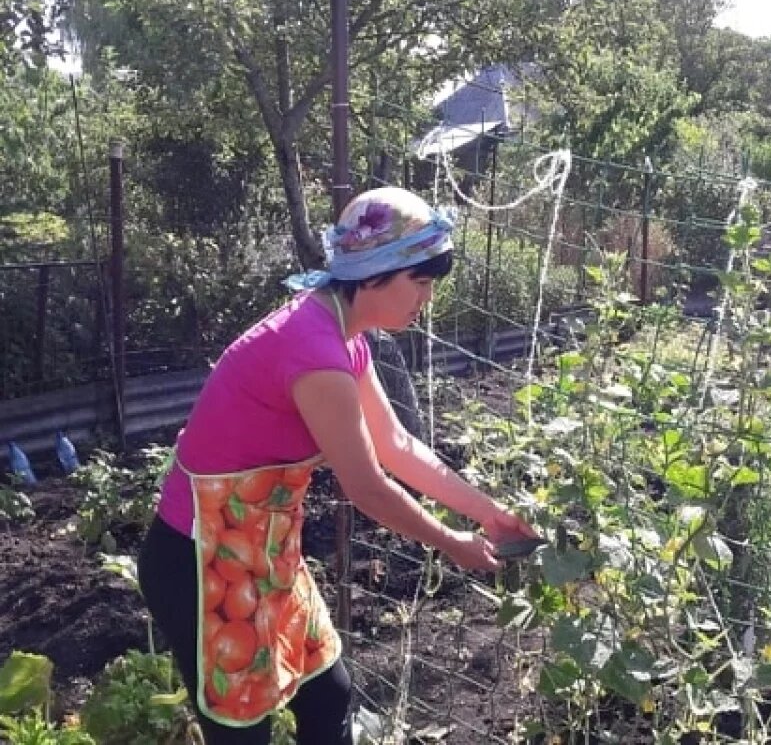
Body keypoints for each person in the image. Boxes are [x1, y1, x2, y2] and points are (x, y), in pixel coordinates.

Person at [137, 187, 537, 744]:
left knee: (328, 694)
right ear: (373, 274)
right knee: (242, 733)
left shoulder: (343, 336)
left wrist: (490, 515)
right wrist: (452, 543)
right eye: (419, 282)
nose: (426, 298)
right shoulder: (313, 349)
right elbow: (368, 486)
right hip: (202, 563)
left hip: (266, 554)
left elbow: (395, 444)